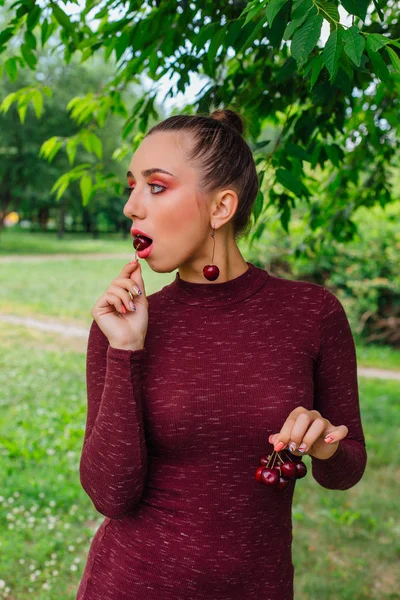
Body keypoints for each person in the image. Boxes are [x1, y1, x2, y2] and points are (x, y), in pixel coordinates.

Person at [76, 109, 367, 600]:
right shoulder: (120, 325)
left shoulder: (312, 313)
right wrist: (126, 350)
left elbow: (347, 469)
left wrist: (324, 443)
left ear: (221, 207)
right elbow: (110, 495)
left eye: (156, 186)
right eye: (131, 186)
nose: (131, 206)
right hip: (128, 585)